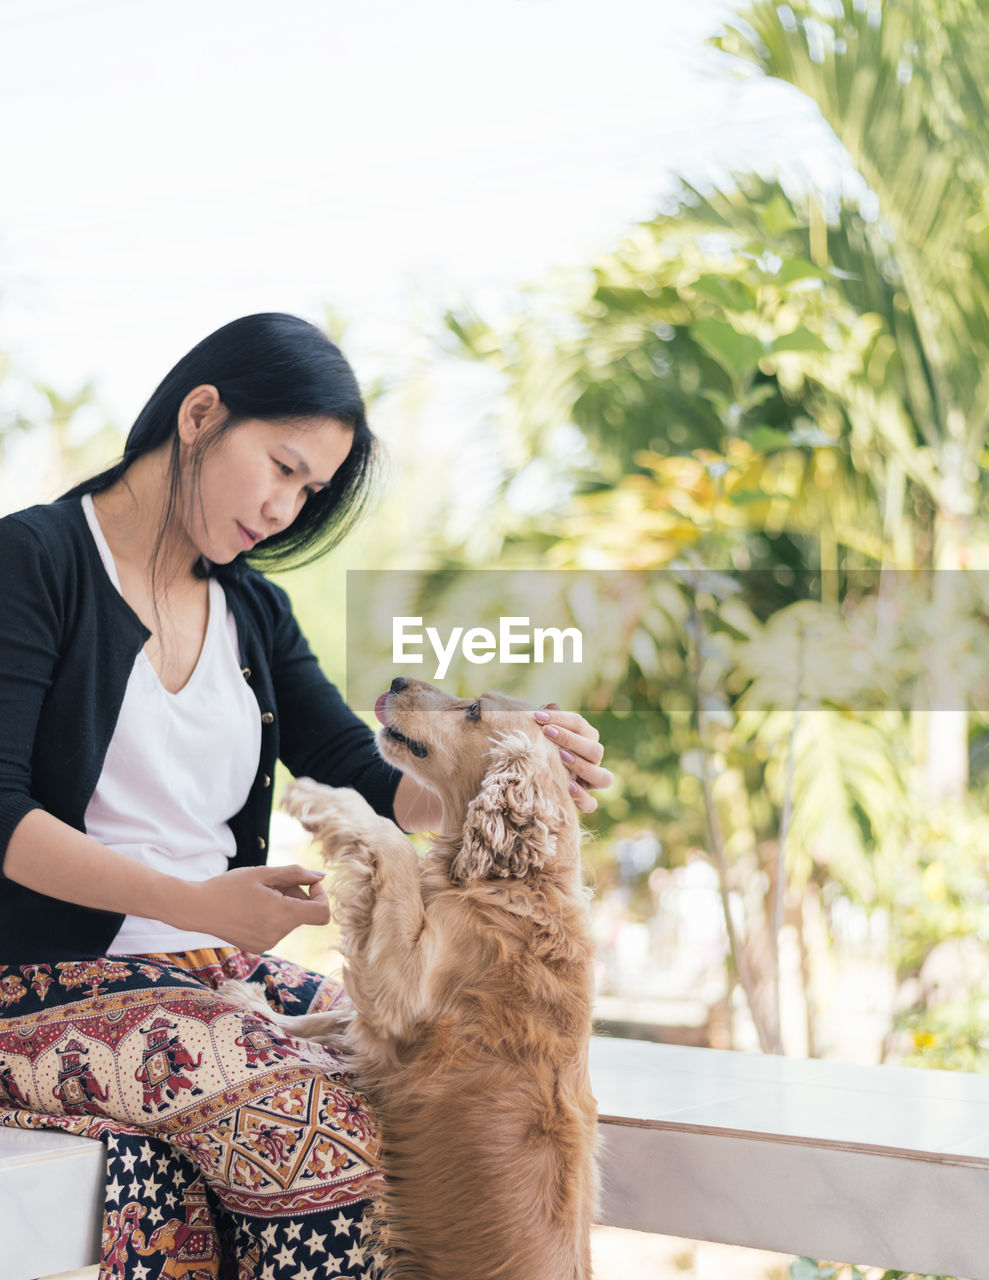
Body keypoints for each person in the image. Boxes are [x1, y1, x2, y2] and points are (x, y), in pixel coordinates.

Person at [0, 313, 611, 1279]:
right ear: (200, 415)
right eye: (282, 467)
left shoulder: (251, 607)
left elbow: (373, 778)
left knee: (411, 1078)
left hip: (201, 971)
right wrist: (200, 906)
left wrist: (513, 755)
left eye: (311, 490)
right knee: (315, 1131)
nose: (287, 509)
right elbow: (2, 815)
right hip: (34, 990)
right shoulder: (33, 563)